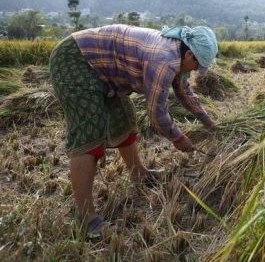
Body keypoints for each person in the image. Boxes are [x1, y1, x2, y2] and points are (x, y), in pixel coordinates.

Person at [48, 24, 217, 238]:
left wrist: (209, 123)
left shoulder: (179, 52)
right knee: (88, 131)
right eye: (196, 65)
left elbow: (185, 92)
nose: (194, 71)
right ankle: (85, 216)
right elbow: (157, 113)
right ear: (190, 54)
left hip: (101, 68)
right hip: (75, 61)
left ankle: (139, 173)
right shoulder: (163, 60)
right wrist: (178, 138)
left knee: (125, 117)